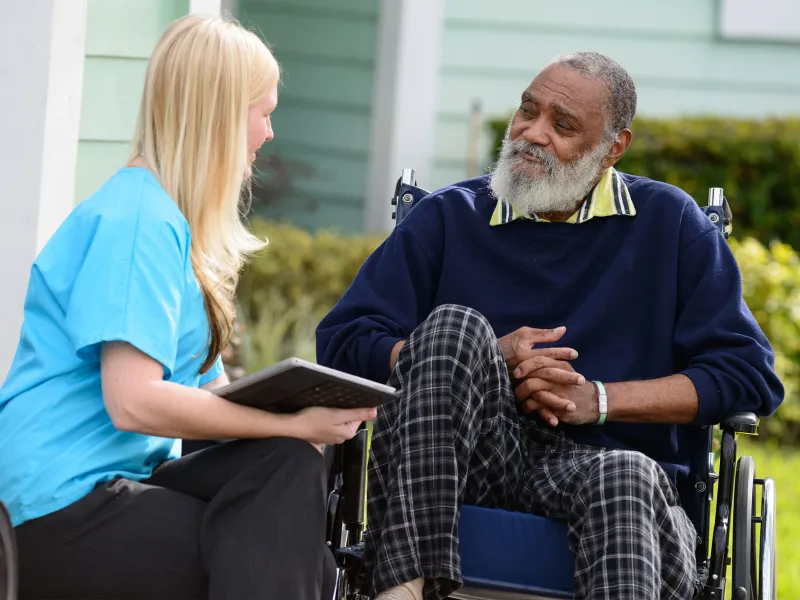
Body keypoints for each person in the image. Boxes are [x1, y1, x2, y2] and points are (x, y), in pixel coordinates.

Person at [316, 52, 784, 600]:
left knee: (624, 476)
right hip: (463, 465)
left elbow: (749, 375)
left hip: (609, 475)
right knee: (455, 329)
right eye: (527, 111)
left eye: (562, 126)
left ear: (613, 148)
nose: (532, 134)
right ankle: (404, 589)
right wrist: (480, 361)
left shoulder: (671, 226)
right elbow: (343, 341)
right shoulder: (448, 218)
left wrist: (599, 400)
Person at [0, 14, 375, 600]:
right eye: (263, 112)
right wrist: (289, 422)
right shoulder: (135, 224)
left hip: (121, 483)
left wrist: (300, 417)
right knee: (278, 551)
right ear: (221, 116)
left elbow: (208, 400)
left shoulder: (171, 225)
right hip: (58, 509)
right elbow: (132, 400)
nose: (269, 133)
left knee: (287, 468)